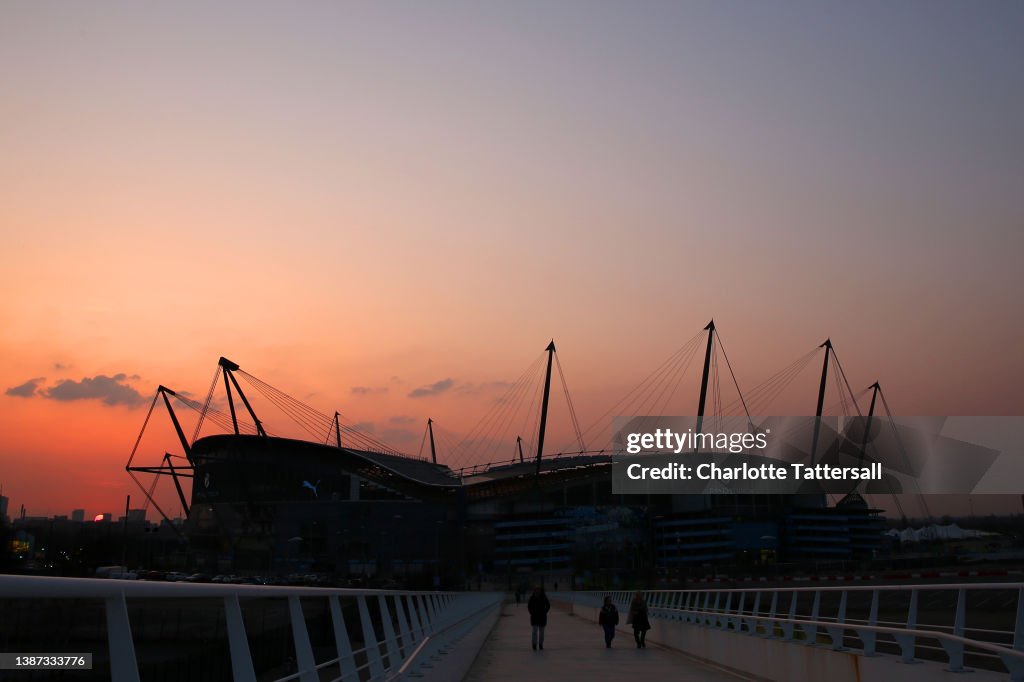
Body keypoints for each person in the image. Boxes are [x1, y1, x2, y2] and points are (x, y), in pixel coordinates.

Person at [528, 586, 551, 650]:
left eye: (538, 590)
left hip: (542, 617)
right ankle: (534, 644)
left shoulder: (544, 597)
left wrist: (545, 612)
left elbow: (548, 605)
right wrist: (532, 612)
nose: (537, 591)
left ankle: (541, 644)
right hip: (534, 617)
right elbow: (529, 606)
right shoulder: (532, 597)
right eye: (536, 590)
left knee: (541, 633)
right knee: (534, 631)